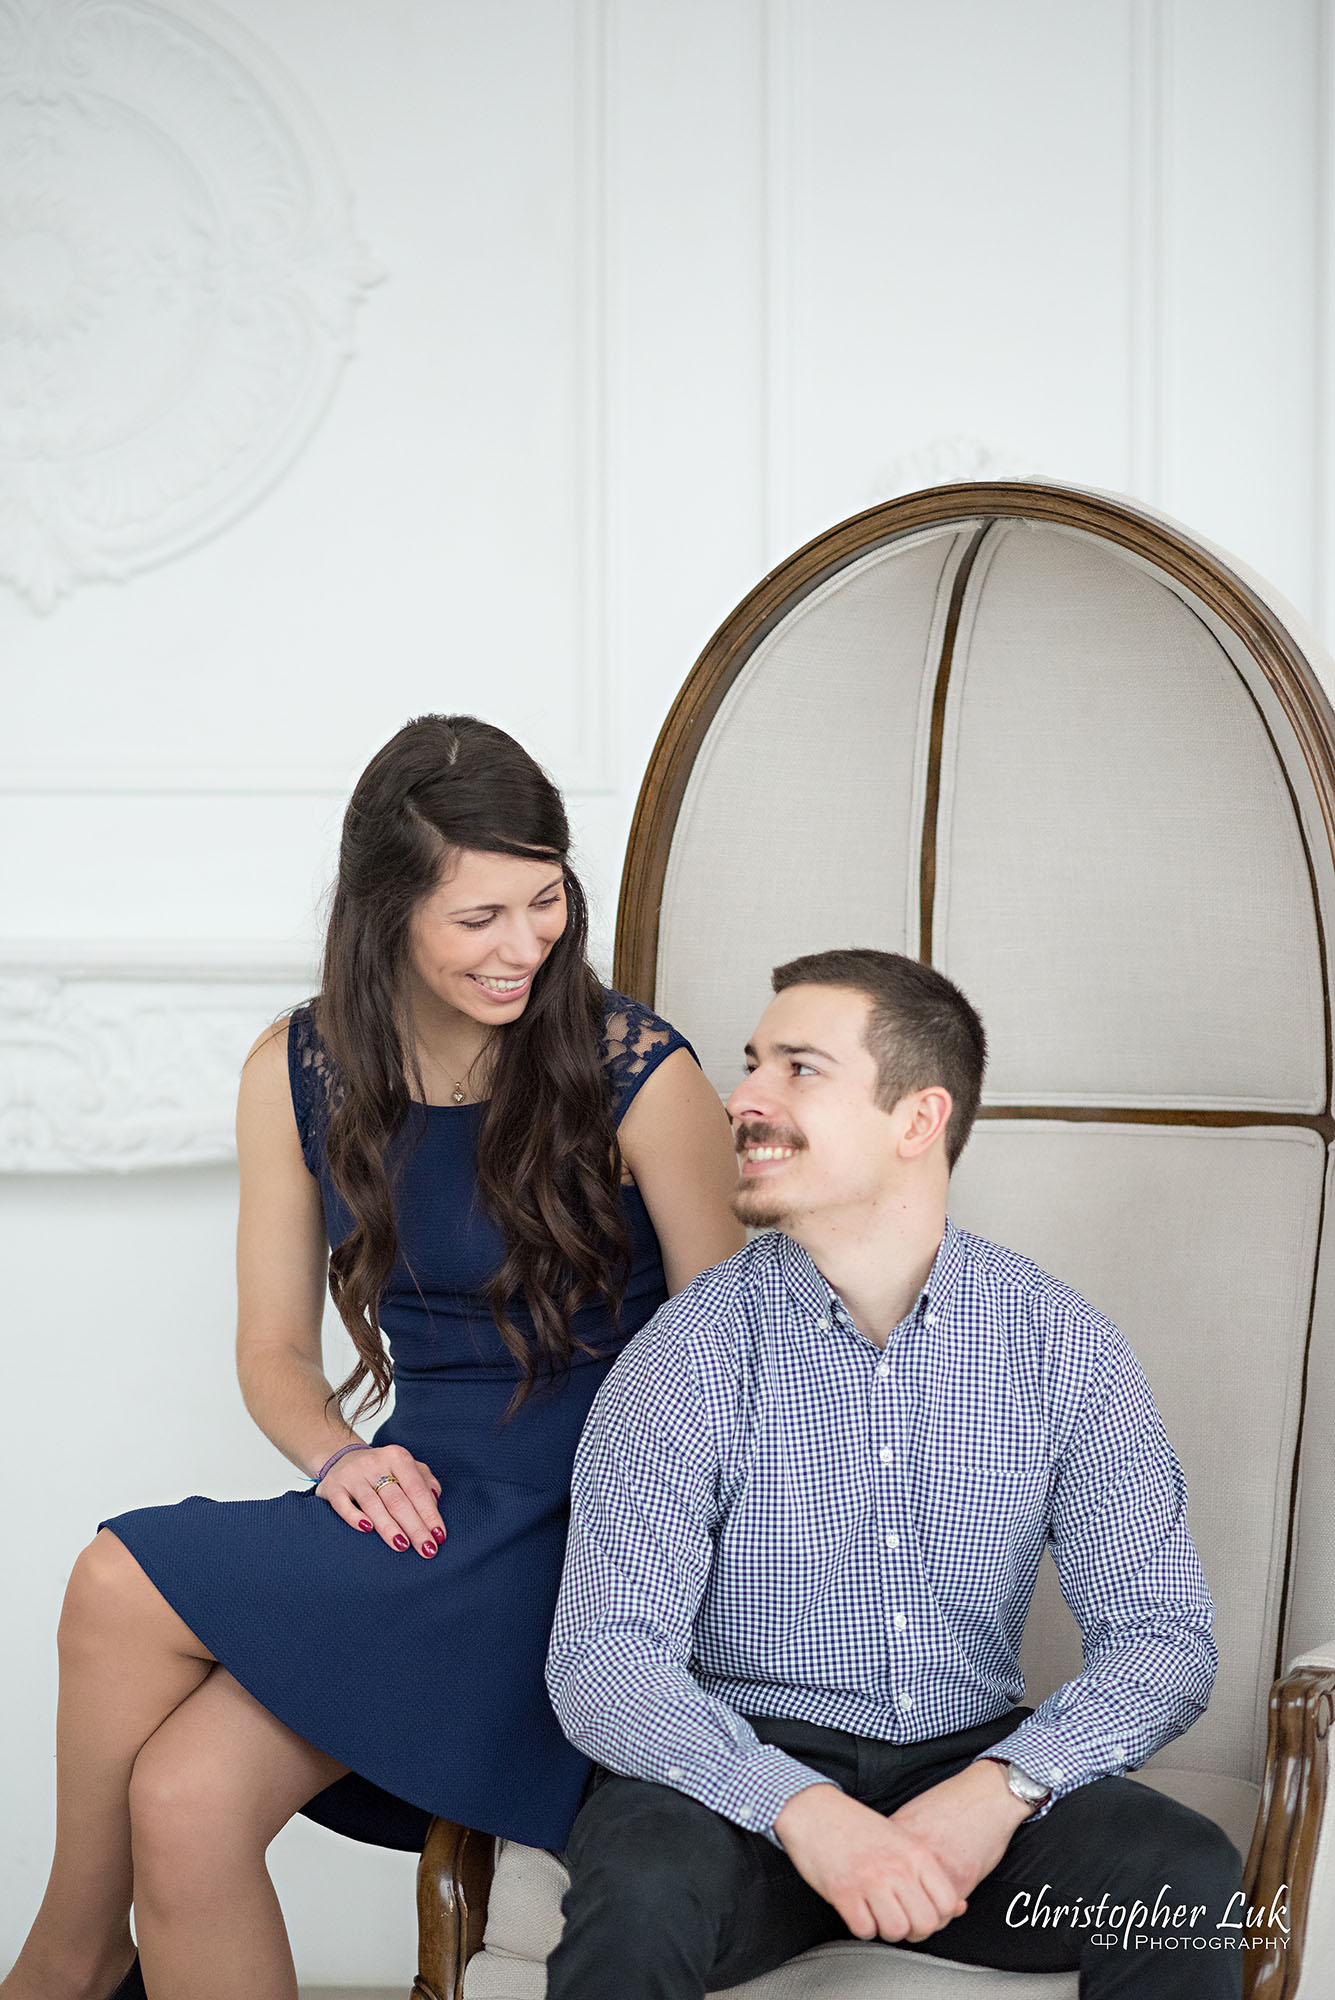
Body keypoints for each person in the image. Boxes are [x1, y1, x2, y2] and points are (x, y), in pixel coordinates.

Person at [2, 715, 743, 2000]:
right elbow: (271, 1346)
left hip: (591, 1516)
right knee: (181, 1800)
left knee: (118, 1577)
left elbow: (737, 1365)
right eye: (479, 917)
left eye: (546, 900)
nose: (526, 945)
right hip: (422, 1495)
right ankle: (75, 1958)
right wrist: (339, 1454)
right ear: (386, 909)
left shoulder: (639, 1071)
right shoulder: (300, 1065)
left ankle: (61, 1964)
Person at [545, 947, 1247, 1999]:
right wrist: (804, 1810)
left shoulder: (1064, 1346)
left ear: (918, 1120)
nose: (743, 1099)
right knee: (638, 1890)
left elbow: (1164, 1635)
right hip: (736, 1786)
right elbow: (605, 1658)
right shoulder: (682, 1357)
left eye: (799, 1068)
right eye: (752, 1065)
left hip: (968, 1770)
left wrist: (1005, 1787)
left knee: (1185, 1879)